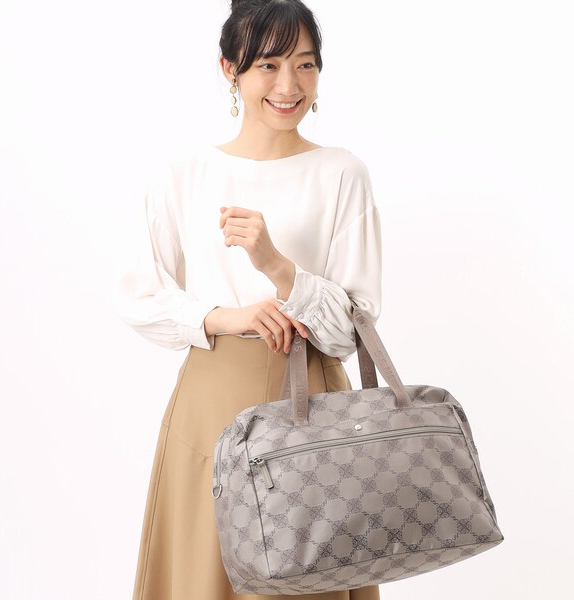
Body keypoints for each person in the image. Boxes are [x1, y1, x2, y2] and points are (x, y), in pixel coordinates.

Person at [113, 1, 382, 598]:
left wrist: (278, 268)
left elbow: (351, 331)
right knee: (204, 574)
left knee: (309, 573)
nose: (289, 85)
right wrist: (223, 316)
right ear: (229, 69)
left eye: (305, 64)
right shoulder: (185, 173)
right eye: (268, 65)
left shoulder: (342, 173)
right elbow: (138, 294)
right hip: (212, 404)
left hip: (311, 401)